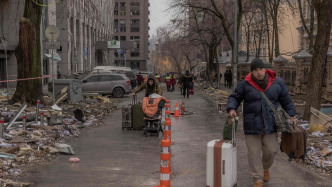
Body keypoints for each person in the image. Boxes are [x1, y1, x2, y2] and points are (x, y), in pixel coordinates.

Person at [226, 59, 297, 187]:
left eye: (260, 69)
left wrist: (292, 115)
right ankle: (257, 178)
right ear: (252, 72)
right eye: (255, 70)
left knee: (271, 150)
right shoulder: (245, 84)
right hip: (251, 124)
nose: (258, 72)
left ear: (265, 69)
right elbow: (235, 97)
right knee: (253, 153)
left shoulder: (277, 82)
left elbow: (286, 100)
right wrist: (232, 108)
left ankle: (265, 168)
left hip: (271, 123)